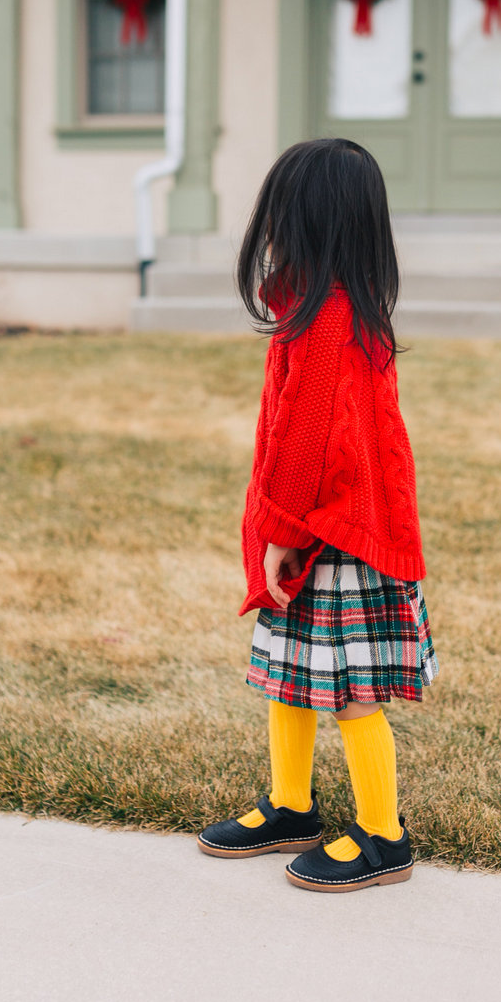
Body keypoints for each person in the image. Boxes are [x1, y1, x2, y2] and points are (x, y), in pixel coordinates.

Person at [196, 138, 438, 893]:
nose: (269, 231)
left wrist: (278, 536)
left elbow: (305, 444)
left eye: (280, 216)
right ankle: (292, 806)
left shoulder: (328, 318)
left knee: (350, 692)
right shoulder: (330, 306)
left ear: (309, 223)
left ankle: (382, 834)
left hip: (332, 540)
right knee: (291, 678)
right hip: (321, 533)